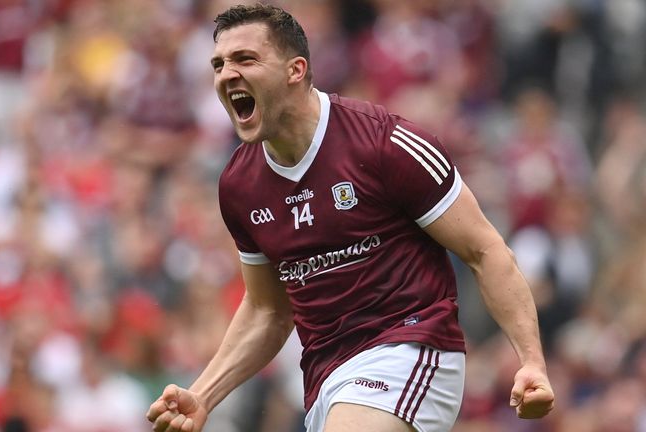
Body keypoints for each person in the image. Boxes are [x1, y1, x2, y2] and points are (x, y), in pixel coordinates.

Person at [146, 4, 554, 432]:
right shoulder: (238, 185)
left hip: (411, 347)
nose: (227, 74)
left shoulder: (386, 143)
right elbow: (269, 309)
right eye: (218, 64)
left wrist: (532, 363)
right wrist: (205, 393)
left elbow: (485, 250)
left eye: (245, 59)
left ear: (295, 70)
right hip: (327, 380)